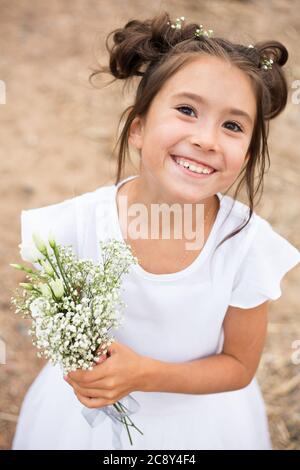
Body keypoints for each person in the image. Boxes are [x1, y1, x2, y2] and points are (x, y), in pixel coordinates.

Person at [12, 12, 300, 450]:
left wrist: (146, 374)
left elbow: (239, 365)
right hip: (84, 425)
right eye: (187, 110)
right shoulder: (74, 228)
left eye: (233, 125)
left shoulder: (245, 245)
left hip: (202, 428)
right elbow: (60, 332)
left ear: (248, 153)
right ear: (138, 128)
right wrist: (86, 369)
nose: (207, 138)